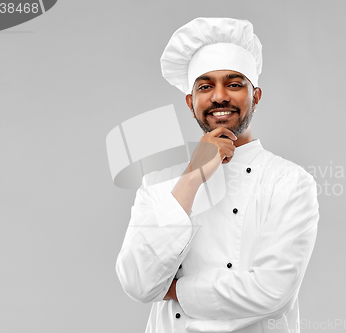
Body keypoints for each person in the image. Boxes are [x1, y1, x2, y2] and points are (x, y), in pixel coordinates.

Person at [115, 17, 319, 333]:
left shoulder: (289, 182)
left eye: (234, 84)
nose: (219, 97)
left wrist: (177, 292)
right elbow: (138, 282)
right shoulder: (157, 184)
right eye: (205, 86)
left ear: (256, 96)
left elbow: (273, 290)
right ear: (190, 101)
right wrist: (191, 178)